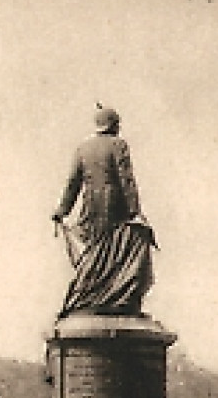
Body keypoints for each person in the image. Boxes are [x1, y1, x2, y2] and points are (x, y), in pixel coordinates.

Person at [53, 105, 157, 319]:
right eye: (118, 123)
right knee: (127, 244)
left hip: (90, 207)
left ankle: (91, 294)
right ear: (113, 124)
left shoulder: (83, 148)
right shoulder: (118, 145)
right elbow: (126, 180)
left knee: (96, 250)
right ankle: (116, 295)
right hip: (113, 205)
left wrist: (62, 211)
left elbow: (73, 183)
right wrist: (135, 211)